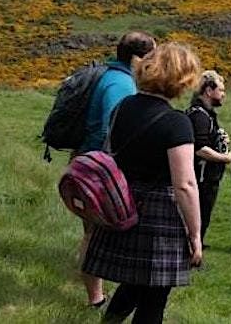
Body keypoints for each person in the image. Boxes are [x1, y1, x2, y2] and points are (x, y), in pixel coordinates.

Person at [82, 42, 204, 324]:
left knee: (135, 284)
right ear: (181, 79)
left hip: (123, 204)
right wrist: (196, 235)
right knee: (154, 299)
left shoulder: (123, 108)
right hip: (159, 215)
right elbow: (185, 184)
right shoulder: (177, 122)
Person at [76, 31, 155, 308]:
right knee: (94, 234)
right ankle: (96, 298)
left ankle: (99, 292)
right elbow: (116, 128)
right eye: (150, 58)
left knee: (94, 232)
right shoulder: (121, 84)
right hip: (100, 169)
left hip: (89, 162)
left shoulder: (111, 75)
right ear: (136, 59)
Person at [186, 70, 231, 249]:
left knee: (203, 216)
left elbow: (206, 141)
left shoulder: (205, 114)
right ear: (208, 91)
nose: (223, 94)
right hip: (201, 179)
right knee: (197, 216)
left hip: (207, 178)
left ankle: (197, 246)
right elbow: (199, 149)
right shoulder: (199, 115)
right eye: (220, 90)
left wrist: (220, 139)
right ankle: (192, 252)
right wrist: (224, 157)